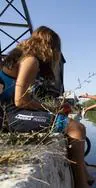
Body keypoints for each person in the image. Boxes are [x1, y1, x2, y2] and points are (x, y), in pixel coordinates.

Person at [0, 26, 90, 188]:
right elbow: (21, 101)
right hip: (7, 116)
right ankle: (82, 185)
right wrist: (52, 110)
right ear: (50, 47)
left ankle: (85, 173)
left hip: (8, 112)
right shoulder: (31, 61)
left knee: (71, 125)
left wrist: (52, 108)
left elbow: (23, 97)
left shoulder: (22, 57)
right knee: (76, 128)